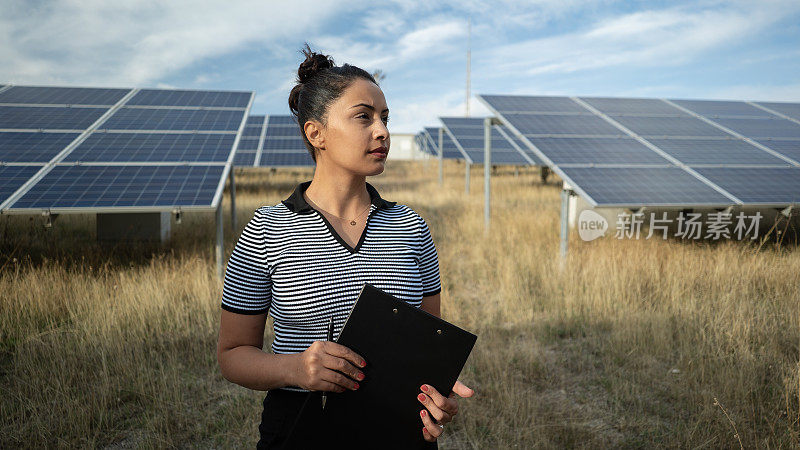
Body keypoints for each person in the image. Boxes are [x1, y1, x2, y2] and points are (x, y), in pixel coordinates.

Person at [217, 44, 474, 449]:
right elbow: (233, 354)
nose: (382, 131)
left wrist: (435, 399)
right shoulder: (265, 230)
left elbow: (428, 352)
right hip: (301, 431)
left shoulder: (412, 229)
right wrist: (297, 369)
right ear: (315, 133)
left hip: (399, 433)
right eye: (363, 117)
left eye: (385, 118)